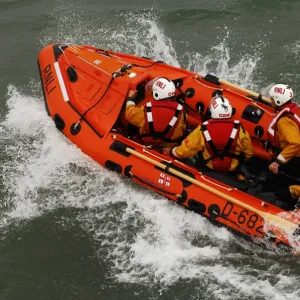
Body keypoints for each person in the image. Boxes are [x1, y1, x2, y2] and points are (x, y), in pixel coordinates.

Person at [163, 96, 254, 178]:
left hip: (208, 168)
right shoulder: (240, 130)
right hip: (232, 168)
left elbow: (184, 151)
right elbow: (249, 153)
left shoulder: (202, 130)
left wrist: (171, 152)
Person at [263, 83, 300, 205]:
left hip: (295, 158)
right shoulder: (295, 109)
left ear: (278, 101)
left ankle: (269, 198)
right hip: (294, 154)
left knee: (273, 174)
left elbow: (295, 143)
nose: (270, 100)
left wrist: (278, 161)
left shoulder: (284, 120)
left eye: (272, 98)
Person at [125, 77, 187, 147]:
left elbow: (130, 114)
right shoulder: (181, 113)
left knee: (131, 126)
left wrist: (130, 99)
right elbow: (183, 128)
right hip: (169, 146)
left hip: (146, 144)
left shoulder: (146, 111)